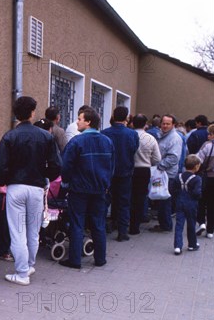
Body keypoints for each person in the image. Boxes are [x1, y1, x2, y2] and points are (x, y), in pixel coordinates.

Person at [0, 96, 62, 285]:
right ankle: (29, 266)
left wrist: (5, 180)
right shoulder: (46, 136)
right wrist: (44, 175)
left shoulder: (9, 136)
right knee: (33, 230)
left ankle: (22, 272)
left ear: (16, 114)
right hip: (36, 188)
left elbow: (0, 166)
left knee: (17, 231)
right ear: (32, 113)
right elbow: (57, 165)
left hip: (16, 187)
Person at [59, 108, 114, 269]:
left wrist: (66, 183)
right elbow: (112, 167)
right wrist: (106, 184)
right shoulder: (107, 142)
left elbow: (66, 166)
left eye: (80, 118)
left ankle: (75, 260)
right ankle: (100, 258)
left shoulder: (76, 142)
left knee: (77, 223)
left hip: (79, 189)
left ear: (88, 122)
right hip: (99, 189)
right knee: (98, 223)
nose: (77, 121)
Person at [102, 106, 139, 241]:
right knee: (124, 202)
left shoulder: (105, 133)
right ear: (126, 118)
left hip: (108, 172)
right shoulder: (132, 134)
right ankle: (122, 232)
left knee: (105, 201)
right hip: (125, 171)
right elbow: (134, 149)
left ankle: (102, 227)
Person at [149, 114, 183, 232]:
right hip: (162, 173)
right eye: (163, 123)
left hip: (167, 174)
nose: (164, 126)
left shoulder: (175, 138)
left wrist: (159, 166)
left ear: (173, 125)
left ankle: (166, 225)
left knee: (164, 200)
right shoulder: (162, 135)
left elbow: (173, 158)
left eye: (168, 124)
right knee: (161, 199)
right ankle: (164, 224)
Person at [130, 114, 161, 235]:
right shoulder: (150, 138)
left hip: (130, 169)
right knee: (140, 198)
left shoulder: (129, 136)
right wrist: (149, 161)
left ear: (133, 123)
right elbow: (157, 158)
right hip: (144, 170)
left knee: (128, 197)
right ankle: (135, 226)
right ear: (145, 124)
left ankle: (124, 222)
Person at [172, 155, 203, 255]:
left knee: (179, 224)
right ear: (196, 167)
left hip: (180, 202)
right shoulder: (197, 179)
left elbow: (173, 189)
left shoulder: (179, 176)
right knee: (191, 224)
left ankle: (177, 246)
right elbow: (197, 192)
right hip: (191, 204)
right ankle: (192, 244)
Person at [196, 123, 214, 239]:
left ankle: (201, 222)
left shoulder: (207, 145)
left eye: (210, 134)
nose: (208, 136)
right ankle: (210, 230)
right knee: (213, 204)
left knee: (201, 201)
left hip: (206, 177)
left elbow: (198, 160)